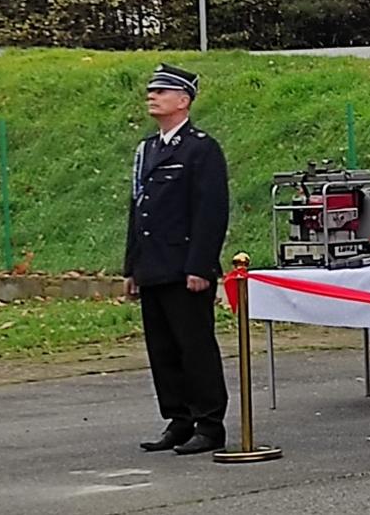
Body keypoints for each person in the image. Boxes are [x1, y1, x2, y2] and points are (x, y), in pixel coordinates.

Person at [124, 63, 231, 456]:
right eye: (151, 91)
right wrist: (132, 266)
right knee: (163, 349)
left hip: (185, 267)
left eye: (162, 92)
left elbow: (210, 212)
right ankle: (179, 419)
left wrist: (200, 266)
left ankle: (209, 423)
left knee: (194, 347)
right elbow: (138, 210)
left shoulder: (200, 148)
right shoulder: (147, 149)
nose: (152, 96)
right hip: (153, 265)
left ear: (183, 101)